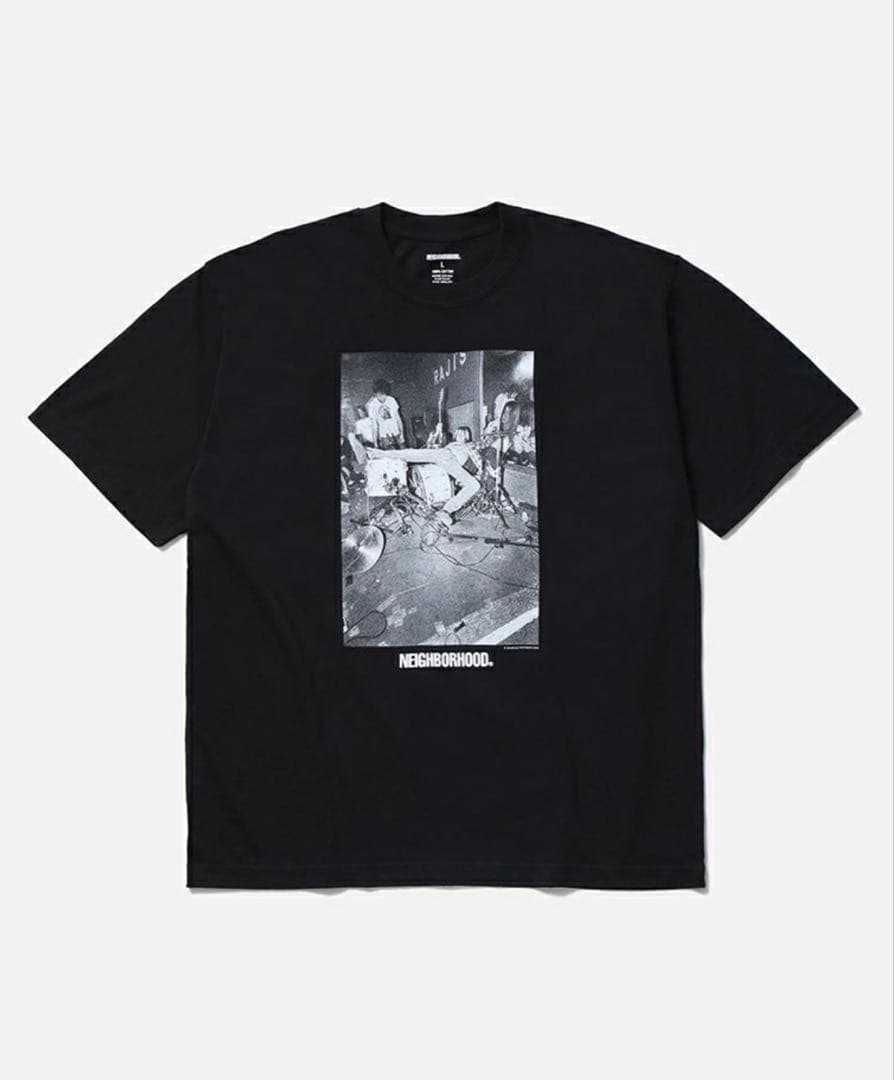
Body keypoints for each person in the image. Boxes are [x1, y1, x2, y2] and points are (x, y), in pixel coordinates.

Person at [369, 426, 481, 526]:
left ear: (467, 437)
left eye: (462, 434)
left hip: (453, 463)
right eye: (458, 434)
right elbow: (430, 446)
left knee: (475, 485)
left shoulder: (470, 445)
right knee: (413, 453)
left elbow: (478, 463)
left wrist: (478, 474)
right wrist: (436, 433)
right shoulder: (452, 444)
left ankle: (445, 511)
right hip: (444, 454)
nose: (459, 436)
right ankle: (378, 453)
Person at [366, 379, 405, 448]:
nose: (383, 397)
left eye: (384, 394)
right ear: (375, 393)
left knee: (404, 452)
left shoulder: (391, 400)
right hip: (384, 436)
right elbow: (374, 426)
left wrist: (402, 434)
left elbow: (398, 419)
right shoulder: (372, 405)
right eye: (380, 394)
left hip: (397, 433)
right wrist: (375, 443)